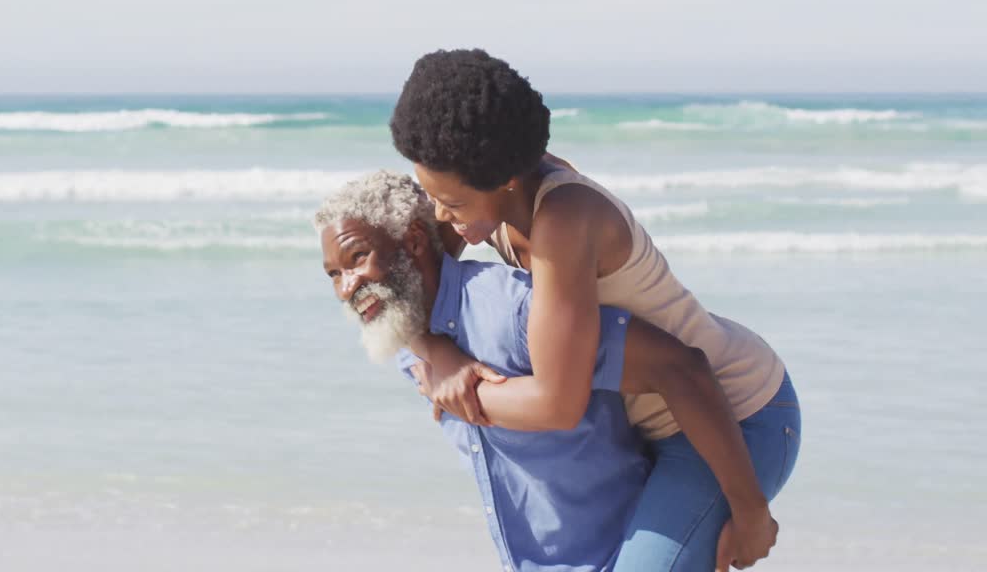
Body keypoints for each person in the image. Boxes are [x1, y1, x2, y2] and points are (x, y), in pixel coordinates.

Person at [389, 49, 801, 571]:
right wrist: (436, 352)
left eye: (453, 202)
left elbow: (557, 405)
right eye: (432, 194)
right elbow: (411, 290)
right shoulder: (479, 193)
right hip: (650, 426)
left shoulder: (565, 219)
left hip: (734, 416)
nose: (440, 214)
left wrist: (751, 514)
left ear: (503, 178)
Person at [316, 171, 783, 572]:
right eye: (333, 274)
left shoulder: (514, 310)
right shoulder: (406, 337)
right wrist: (436, 355)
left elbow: (680, 367)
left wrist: (751, 516)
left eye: (357, 259)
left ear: (414, 243)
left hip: (649, 516)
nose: (346, 288)